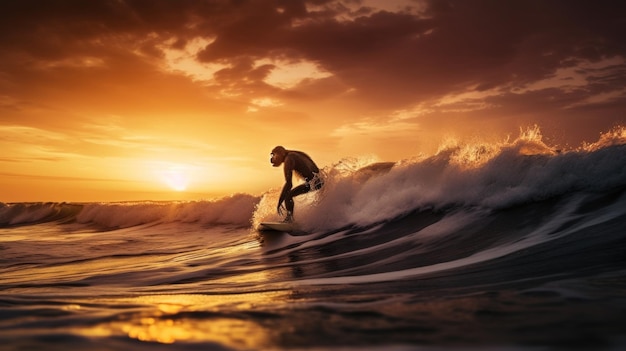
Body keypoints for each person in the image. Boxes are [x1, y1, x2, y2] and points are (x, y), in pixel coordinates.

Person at [270, 145, 324, 222]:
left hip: (315, 182)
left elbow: (289, 184)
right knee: (288, 195)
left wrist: (280, 202)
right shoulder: (294, 154)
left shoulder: (289, 159)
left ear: (280, 153)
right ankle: (290, 219)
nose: (272, 159)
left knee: (288, 196)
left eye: (273, 155)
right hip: (319, 181)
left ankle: (289, 220)